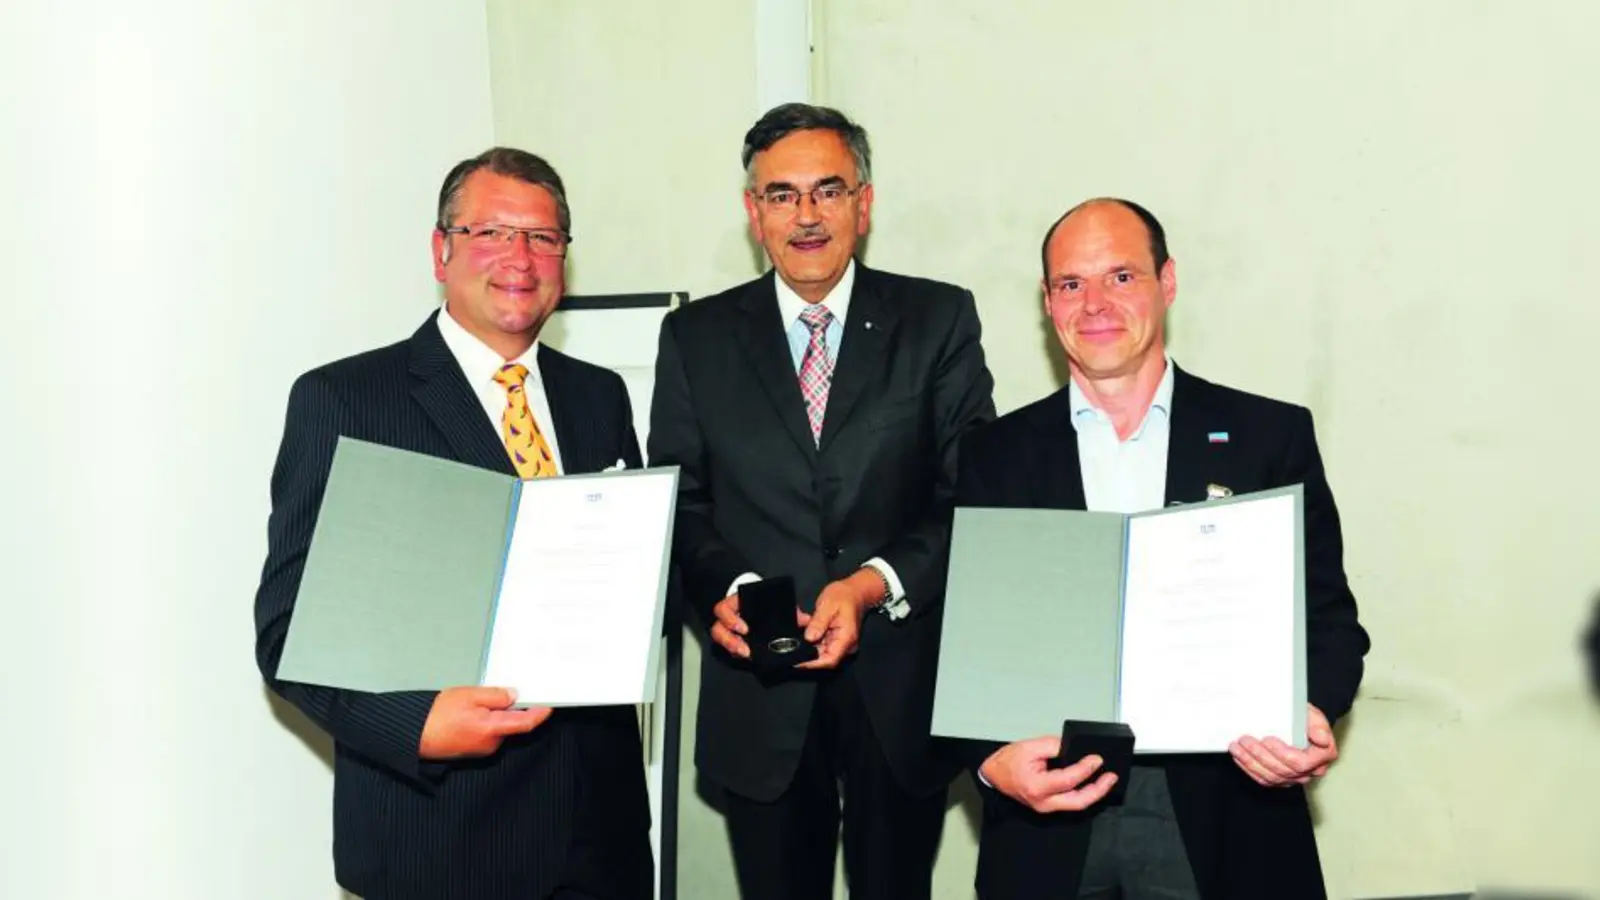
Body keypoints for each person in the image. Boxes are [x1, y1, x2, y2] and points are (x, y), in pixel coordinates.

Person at [254, 147, 653, 900]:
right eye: (491, 233)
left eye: (542, 238)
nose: (520, 258)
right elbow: (289, 633)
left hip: (602, 837)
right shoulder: (348, 400)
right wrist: (416, 724)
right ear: (442, 251)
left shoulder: (600, 396)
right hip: (442, 837)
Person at [948, 198, 1370, 900]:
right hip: (1049, 821)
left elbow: (1329, 623)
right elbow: (959, 639)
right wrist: (990, 764)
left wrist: (1313, 712)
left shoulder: (1269, 437)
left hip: (1230, 811)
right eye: (1070, 284)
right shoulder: (995, 455)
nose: (1094, 305)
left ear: (1167, 282)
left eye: (1121, 276)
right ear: (1047, 302)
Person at [647, 102, 996, 900]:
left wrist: (873, 582)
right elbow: (681, 502)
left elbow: (970, 494)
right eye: (781, 194)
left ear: (863, 204)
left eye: (828, 191)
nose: (806, 216)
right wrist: (728, 594)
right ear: (752, 211)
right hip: (757, 699)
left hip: (899, 692)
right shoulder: (694, 338)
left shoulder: (938, 319)